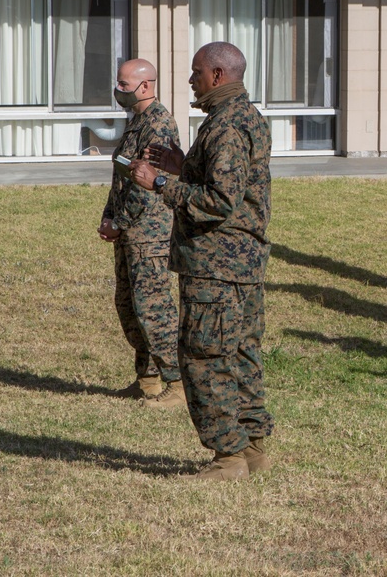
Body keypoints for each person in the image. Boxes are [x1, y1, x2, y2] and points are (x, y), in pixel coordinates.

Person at [130, 41, 276, 479]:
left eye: (196, 72)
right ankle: (253, 448)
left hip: (216, 264)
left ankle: (228, 456)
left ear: (217, 75)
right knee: (242, 351)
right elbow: (227, 180)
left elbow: (219, 201)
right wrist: (183, 165)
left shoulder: (226, 126)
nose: (191, 80)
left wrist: (158, 182)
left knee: (204, 355)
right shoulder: (243, 117)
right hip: (242, 263)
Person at [99, 59, 183, 407]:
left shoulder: (159, 126)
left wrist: (120, 222)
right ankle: (147, 380)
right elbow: (122, 177)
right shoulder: (137, 124)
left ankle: (178, 384)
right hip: (128, 232)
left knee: (154, 309)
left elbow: (147, 185)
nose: (118, 91)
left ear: (145, 86)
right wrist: (109, 216)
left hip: (149, 234)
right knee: (129, 304)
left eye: (123, 85)